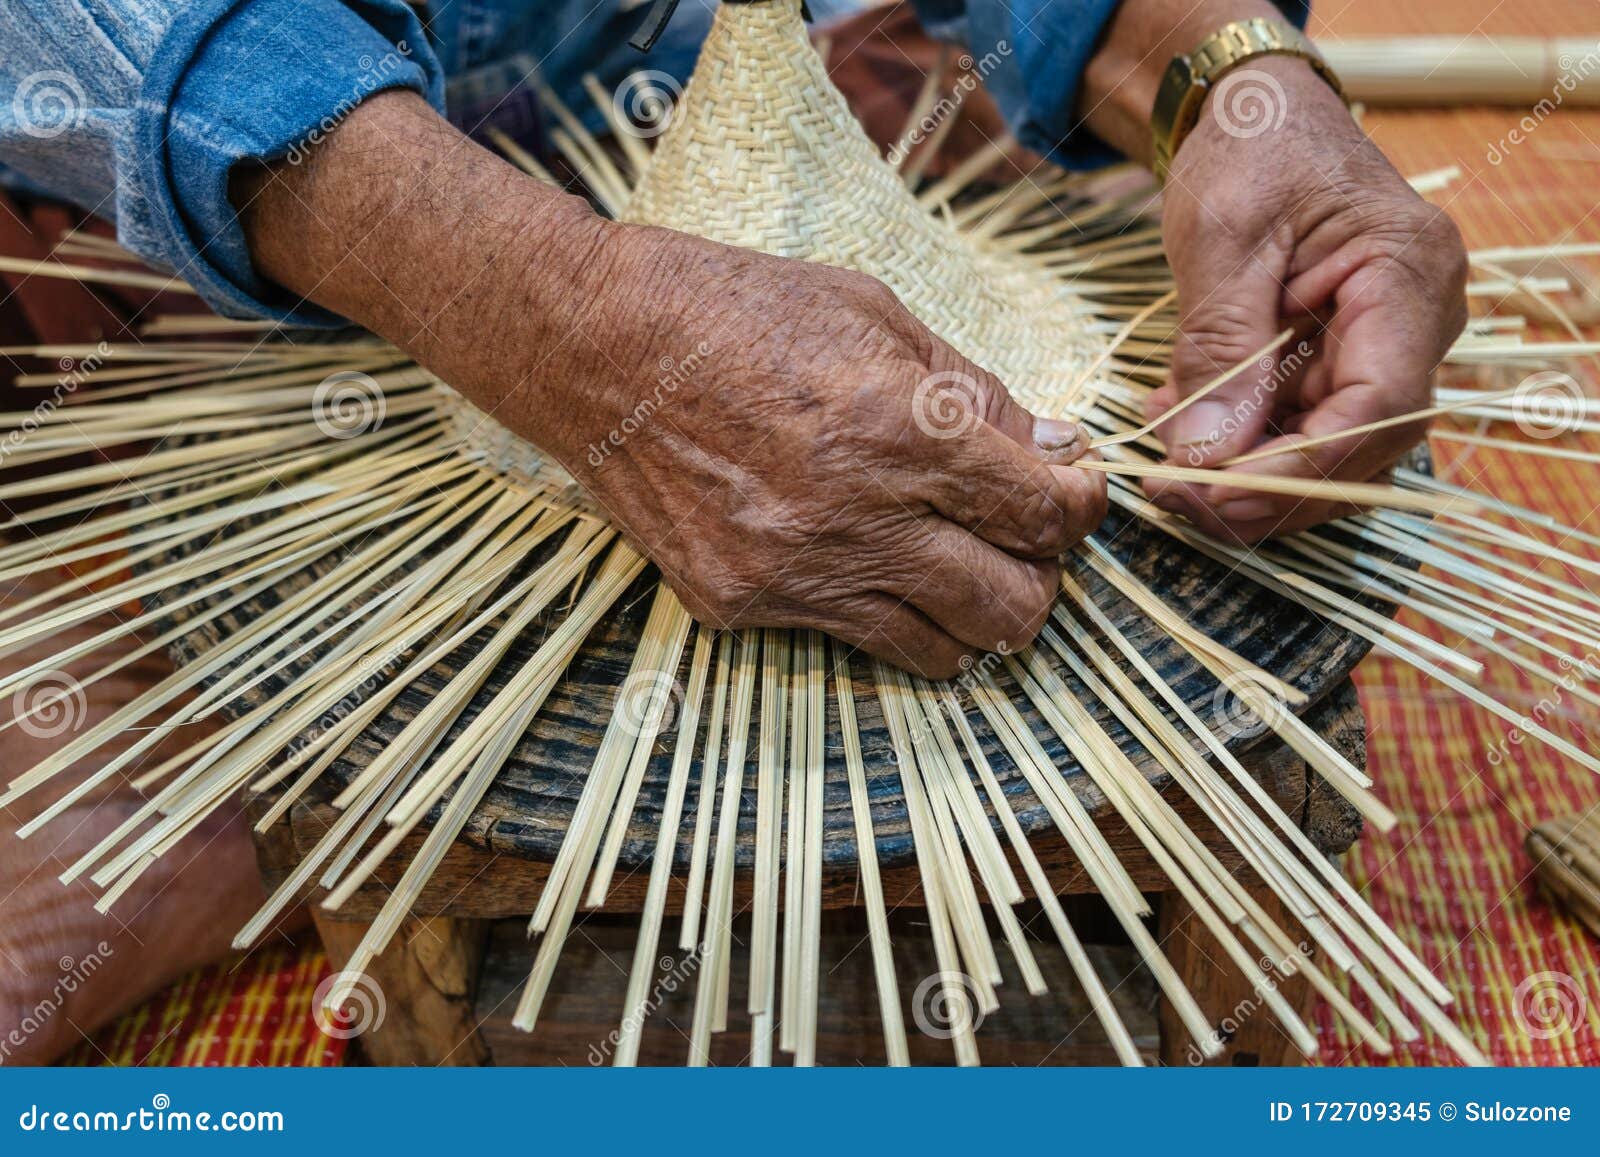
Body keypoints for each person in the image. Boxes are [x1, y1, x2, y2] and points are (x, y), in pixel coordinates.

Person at [0, 0, 1467, 1060]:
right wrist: (557, 318)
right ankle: (185, 735)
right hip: (195, 170)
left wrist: (1216, 65)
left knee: (914, 85)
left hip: (637, 66)